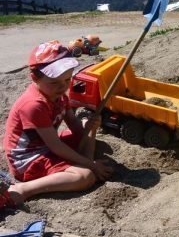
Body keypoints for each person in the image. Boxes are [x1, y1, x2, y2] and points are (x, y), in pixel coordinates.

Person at [1, 40, 113, 208]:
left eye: (67, 80)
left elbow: (75, 127)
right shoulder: (34, 105)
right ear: (35, 78)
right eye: (54, 82)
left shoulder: (59, 96)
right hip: (28, 159)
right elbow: (56, 147)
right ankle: (25, 189)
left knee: (96, 141)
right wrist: (91, 165)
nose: (62, 86)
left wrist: (89, 127)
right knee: (84, 177)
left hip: (45, 144)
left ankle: (83, 162)